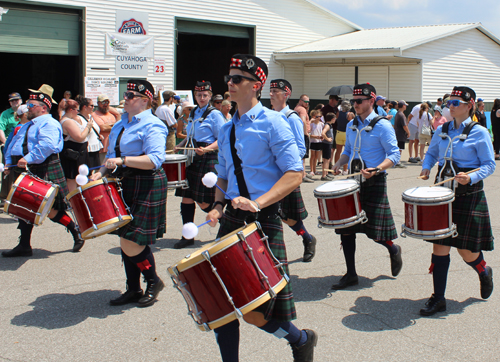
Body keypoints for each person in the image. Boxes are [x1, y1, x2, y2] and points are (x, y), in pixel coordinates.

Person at [206, 53, 317, 362]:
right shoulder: (226, 128)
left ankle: (300, 339)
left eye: (236, 79)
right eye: (229, 78)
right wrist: (217, 206)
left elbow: (294, 174)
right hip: (231, 220)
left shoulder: (274, 123)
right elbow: (225, 175)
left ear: (256, 85)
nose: (229, 83)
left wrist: (256, 202)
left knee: (256, 313)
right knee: (222, 305)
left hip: (262, 221)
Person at [90, 79, 168, 307]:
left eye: (131, 96)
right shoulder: (120, 124)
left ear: (146, 100)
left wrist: (123, 160)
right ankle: (133, 288)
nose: (126, 98)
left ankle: (153, 281)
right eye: (126, 94)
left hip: (147, 183)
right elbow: (111, 156)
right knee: (125, 237)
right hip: (125, 182)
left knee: (133, 240)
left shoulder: (153, 124)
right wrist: (102, 172)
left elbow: (154, 159)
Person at [419, 86, 495, 316]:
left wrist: (470, 176)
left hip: (467, 193)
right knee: (439, 244)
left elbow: (489, 164)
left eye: (455, 103)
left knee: (465, 250)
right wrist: (425, 167)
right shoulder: (442, 128)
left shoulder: (479, 132)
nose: (450, 106)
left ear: (469, 105)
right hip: (443, 192)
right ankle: (438, 298)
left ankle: (483, 270)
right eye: (448, 102)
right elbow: (432, 153)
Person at [330, 83, 402, 290]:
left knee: (375, 231)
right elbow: (349, 150)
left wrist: (377, 169)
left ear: (371, 101)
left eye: (359, 101)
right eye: (353, 101)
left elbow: (394, 155)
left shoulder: (383, 125)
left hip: (374, 182)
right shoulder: (352, 125)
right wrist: (338, 163)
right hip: (353, 183)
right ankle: (351, 274)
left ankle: (393, 248)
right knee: (346, 229)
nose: (355, 105)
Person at [2, 84, 84, 257]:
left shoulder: (50, 123)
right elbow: (13, 145)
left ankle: (76, 231)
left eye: (31, 105)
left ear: (43, 107)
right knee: (24, 205)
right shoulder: (26, 125)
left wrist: (28, 158)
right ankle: (24, 245)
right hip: (23, 167)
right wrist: (9, 163)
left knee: (52, 209)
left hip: (43, 166)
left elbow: (46, 145)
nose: (27, 108)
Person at [269, 78, 317, 263]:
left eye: (276, 91)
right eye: (271, 90)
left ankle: (307, 238)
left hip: (285, 173)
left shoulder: (292, 119)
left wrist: (288, 164)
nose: (271, 94)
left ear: (286, 94)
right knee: (269, 212)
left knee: (286, 215)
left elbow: (301, 148)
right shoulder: (268, 116)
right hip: (268, 173)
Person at [174, 80, 225, 249]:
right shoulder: (193, 112)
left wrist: (207, 149)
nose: (201, 98)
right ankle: (187, 236)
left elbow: (223, 139)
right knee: (187, 197)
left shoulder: (215, 114)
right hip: (191, 156)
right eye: (198, 95)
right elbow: (190, 136)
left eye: (205, 95)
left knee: (204, 201)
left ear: (210, 96)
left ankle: (229, 225)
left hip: (207, 157)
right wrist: (179, 146)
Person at [59, 99, 93, 192]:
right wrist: (88, 126)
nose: (78, 112)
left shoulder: (72, 120)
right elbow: (80, 137)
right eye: (77, 110)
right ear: (71, 110)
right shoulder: (67, 121)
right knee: (73, 179)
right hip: (73, 154)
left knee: (83, 177)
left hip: (80, 152)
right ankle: (73, 201)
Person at [76, 95, 103, 169]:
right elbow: (80, 134)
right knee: (89, 172)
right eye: (91, 106)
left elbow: (95, 129)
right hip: (87, 150)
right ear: (85, 107)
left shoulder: (90, 116)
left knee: (96, 171)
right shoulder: (79, 118)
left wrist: (99, 135)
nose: (93, 107)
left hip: (96, 148)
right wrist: (88, 128)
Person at [93, 94, 120, 164]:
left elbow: (118, 127)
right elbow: (103, 128)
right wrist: (113, 126)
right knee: (101, 169)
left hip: (113, 147)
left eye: (107, 102)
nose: (105, 104)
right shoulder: (94, 114)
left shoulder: (112, 114)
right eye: (103, 102)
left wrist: (118, 114)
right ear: (98, 103)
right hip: (102, 148)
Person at [295, 94, 313, 183]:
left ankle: (304, 173)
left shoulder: (297, 108)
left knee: (302, 156)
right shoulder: (302, 109)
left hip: (299, 134)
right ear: (300, 101)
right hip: (302, 135)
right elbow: (303, 121)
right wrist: (305, 133)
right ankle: (303, 175)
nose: (307, 103)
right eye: (305, 102)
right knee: (303, 156)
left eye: (308, 102)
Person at [335, 100, 355, 174]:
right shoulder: (350, 114)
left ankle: (336, 168)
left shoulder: (338, 113)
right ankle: (345, 169)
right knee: (347, 151)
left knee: (338, 151)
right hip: (347, 133)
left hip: (339, 132)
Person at [393, 100, 410, 168]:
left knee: (399, 148)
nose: (406, 107)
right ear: (403, 106)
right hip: (400, 134)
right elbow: (404, 126)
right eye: (405, 105)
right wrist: (408, 132)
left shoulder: (398, 113)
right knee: (400, 149)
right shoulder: (401, 115)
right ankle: (398, 161)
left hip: (397, 133)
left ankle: (397, 161)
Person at [321, 112, 336, 180]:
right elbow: (323, 133)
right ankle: (324, 175)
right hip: (326, 144)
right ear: (332, 119)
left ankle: (326, 173)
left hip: (328, 144)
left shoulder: (329, 125)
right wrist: (328, 139)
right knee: (326, 160)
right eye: (335, 119)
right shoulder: (327, 125)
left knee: (327, 159)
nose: (335, 120)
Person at [308, 109, 323, 178]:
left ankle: (315, 169)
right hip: (313, 141)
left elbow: (322, 133)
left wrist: (321, 137)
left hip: (319, 142)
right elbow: (309, 134)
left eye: (320, 116)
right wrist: (316, 136)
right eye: (317, 116)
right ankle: (311, 170)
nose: (319, 118)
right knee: (312, 156)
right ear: (314, 116)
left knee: (316, 157)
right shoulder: (311, 124)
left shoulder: (321, 124)